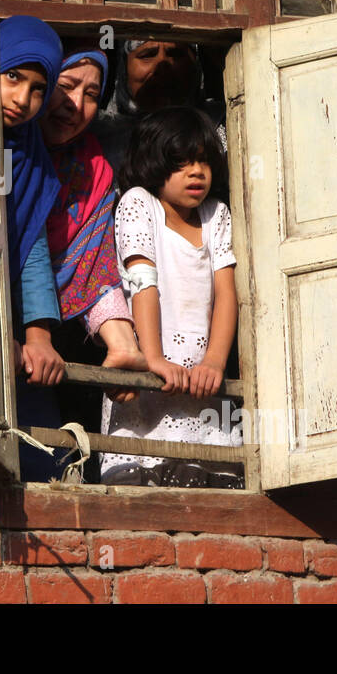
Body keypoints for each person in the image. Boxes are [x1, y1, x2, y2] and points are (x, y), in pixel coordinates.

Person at [103, 106, 241, 488]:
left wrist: (214, 362)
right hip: (150, 380)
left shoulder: (216, 215)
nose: (196, 172)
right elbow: (142, 282)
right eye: (181, 162)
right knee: (144, 487)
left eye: (204, 161)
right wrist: (153, 359)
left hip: (202, 386)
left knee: (209, 491)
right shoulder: (138, 203)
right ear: (152, 161)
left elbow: (226, 295)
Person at [40, 47, 145, 374]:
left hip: (58, 345)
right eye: (65, 86)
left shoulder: (93, 167)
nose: (75, 104)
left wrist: (123, 345)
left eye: (91, 95)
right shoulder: (5, 152)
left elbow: (98, 263)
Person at [0, 15, 68, 482]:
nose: (23, 99)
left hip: (12, 340)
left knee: (38, 464)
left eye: (38, 89)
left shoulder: (31, 160)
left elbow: (33, 252)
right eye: (12, 76)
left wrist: (38, 336)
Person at [93, 38, 211, 174]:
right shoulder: (96, 144)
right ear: (124, 68)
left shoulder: (219, 127)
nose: (162, 66)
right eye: (147, 55)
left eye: (175, 54)